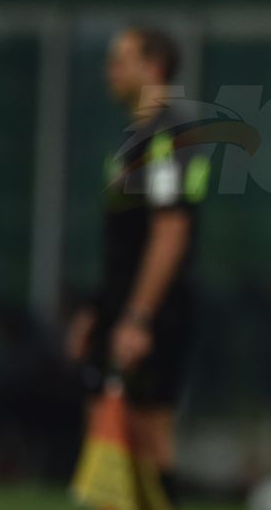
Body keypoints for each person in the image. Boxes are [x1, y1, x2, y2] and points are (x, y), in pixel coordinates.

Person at [67, 28, 210, 507]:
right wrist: (97, 307)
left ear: (154, 67)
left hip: (153, 313)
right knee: (109, 433)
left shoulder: (170, 136)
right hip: (120, 307)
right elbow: (123, 245)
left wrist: (138, 318)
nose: (111, 71)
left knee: (149, 435)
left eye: (120, 61)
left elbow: (171, 234)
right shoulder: (133, 139)